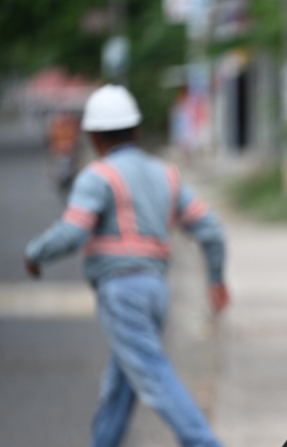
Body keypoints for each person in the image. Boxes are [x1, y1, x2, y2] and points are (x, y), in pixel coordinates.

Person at [24, 84, 228, 447]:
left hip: (121, 290)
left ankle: (204, 443)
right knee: (121, 382)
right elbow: (210, 230)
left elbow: (73, 232)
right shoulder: (166, 174)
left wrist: (36, 253)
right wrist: (215, 279)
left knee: (152, 374)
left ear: (94, 136)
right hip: (155, 289)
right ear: (135, 131)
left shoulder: (98, 176)